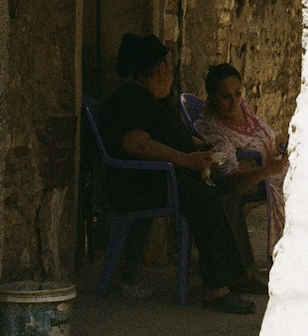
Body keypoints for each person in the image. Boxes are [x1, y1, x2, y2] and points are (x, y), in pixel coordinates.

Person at [97, 34, 263, 313]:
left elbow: (170, 136)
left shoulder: (153, 100)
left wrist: (201, 148)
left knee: (227, 189)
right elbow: (136, 143)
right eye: (170, 68)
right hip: (141, 182)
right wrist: (186, 160)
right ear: (160, 69)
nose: (171, 75)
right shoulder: (131, 100)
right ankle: (215, 288)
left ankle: (238, 273)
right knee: (205, 199)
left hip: (164, 177)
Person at [194, 64, 287, 257]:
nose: (234, 101)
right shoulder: (214, 130)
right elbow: (230, 179)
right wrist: (267, 171)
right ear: (212, 97)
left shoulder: (243, 110)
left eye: (237, 93)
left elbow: (257, 141)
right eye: (225, 97)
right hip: (257, 180)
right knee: (297, 188)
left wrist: (275, 143)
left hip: (272, 166)